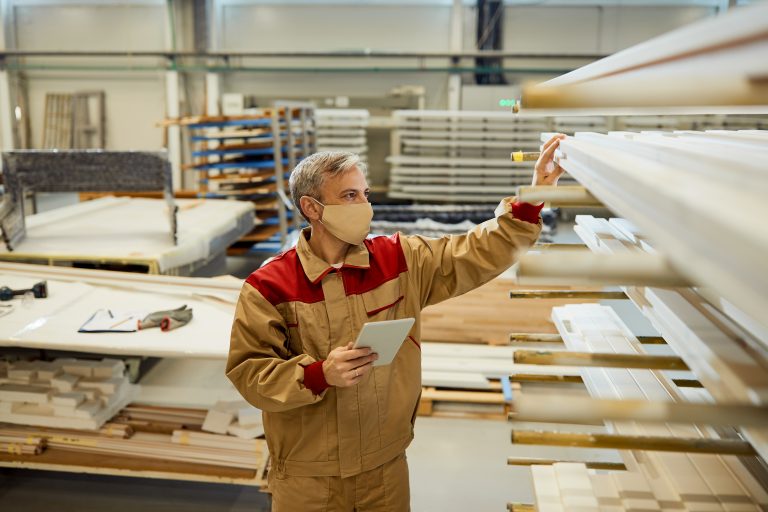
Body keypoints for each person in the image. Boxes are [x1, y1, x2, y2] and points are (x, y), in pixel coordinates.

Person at [226, 134, 567, 511]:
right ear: (312, 208)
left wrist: (534, 195)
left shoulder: (399, 259)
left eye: (366, 194)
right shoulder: (269, 285)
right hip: (309, 477)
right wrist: (318, 374)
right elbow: (251, 374)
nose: (366, 206)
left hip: (384, 467)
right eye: (350, 196)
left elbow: (476, 251)